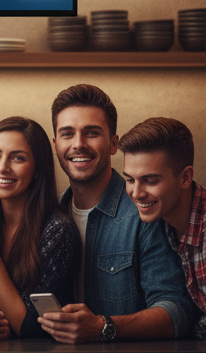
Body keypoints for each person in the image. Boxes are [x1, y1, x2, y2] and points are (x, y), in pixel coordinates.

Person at [40, 83, 196, 343]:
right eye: (67, 134)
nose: (79, 144)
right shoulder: (47, 216)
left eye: (91, 133)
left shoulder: (145, 210)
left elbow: (177, 310)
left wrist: (103, 327)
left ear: (113, 144)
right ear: (55, 145)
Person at [0, 116, 80, 339]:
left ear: (38, 169)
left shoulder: (58, 231)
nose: (2, 167)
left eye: (17, 158)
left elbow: (27, 325)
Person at [119, 117, 206, 340]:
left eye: (150, 181)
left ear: (185, 177)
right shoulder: (162, 225)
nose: (136, 193)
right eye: (130, 180)